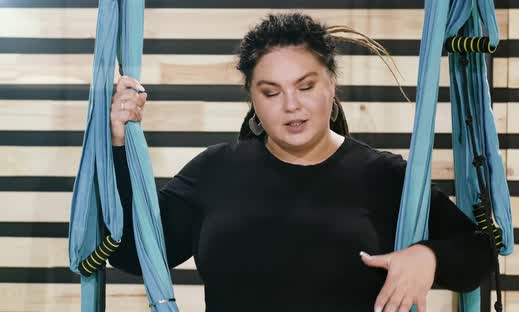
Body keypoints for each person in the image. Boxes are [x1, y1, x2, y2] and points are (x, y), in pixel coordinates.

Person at [108, 12, 494, 312]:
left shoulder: (384, 176)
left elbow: (478, 253)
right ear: (253, 100)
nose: (291, 105)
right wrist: (119, 144)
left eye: (306, 87)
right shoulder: (215, 171)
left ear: (331, 85)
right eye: (271, 92)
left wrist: (427, 256)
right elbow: (132, 251)